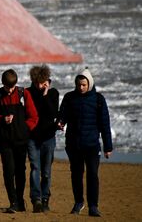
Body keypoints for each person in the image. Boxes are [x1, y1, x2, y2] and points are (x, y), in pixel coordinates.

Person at [58, 68, 113, 217]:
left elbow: (104, 124)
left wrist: (108, 146)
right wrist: (60, 123)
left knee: (92, 175)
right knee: (76, 174)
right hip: (74, 144)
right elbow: (62, 115)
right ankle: (78, 202)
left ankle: (93, 206)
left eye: (83, 85)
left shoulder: (98, 99)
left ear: (89, 83)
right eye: (78, 85)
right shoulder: (69, 98)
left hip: (92, 145)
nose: (81, 87)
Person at [0, 69, 38, 213]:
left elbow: (34, 117)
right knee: (8, 171)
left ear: (15, 84)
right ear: (2, 83)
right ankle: (13, 202)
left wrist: (24, 128)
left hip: (21, 140)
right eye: (7, 87)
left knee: (20, 171)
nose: (9, 90)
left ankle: (20, 200)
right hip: (4, 140)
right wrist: (1, 119)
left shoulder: (23, 94)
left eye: (12, 87)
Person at [26, 65, 59, 213]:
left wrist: (45, 94)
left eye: (42, 82)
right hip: (32, 137)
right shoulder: (27, 93)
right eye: (36, 83)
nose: (39, 85)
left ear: (47, 81)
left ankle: (45, 198)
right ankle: (36, 199)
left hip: (48, 137)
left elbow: (52, 113)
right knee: (35, 168)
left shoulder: (53, 93)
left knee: (46, 172)